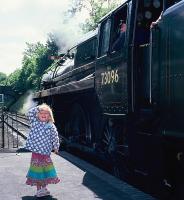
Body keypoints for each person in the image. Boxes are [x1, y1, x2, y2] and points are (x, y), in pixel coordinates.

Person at [25, 103, 60, 197]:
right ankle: (38, 190)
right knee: (37, 171)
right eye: (41, 113)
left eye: (46, 113)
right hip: (36, 153)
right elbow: (30, 112)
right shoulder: (35, 122)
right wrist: (40, 107)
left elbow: (55, 137)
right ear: (37, 114)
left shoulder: (51, 126)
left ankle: (44, 189)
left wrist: (56, 147)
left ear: (49, 116)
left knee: (45, 171)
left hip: (45, 153)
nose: (44, 114)